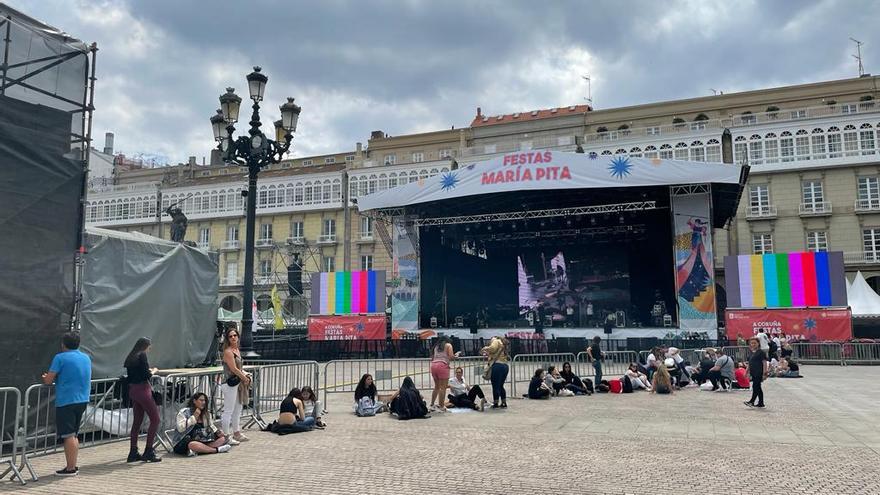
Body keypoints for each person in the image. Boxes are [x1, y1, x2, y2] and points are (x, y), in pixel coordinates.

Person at [42, 331, 91, 476]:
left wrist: (46, 377)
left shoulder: (60, 358)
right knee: (74, 434)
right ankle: (73, 465)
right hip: (82, 399)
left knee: (68, 435)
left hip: (66, 400)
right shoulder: (86, 357)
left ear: (63, 344)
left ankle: (70, 468)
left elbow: (48, 380)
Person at [123, 337, 161, 463]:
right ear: (146, 346)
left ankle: (133, 451)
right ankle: (148, 451)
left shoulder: (131, 356)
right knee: (155, 419)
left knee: (137, 422)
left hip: (133, 390)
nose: (150, 349)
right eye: (149, 347)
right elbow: (146, 374)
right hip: (143, 390)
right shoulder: (142, 355)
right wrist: (154, 370)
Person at [221, 325, 251, 445]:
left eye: (235, 335)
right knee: (228, 410)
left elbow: (239, 367)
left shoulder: (236, 350)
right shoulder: (228, 351)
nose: (233, 338)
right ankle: (226, 436)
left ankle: (236, 432)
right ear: (227, 339)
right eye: (230, 336)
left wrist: (245, 375)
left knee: (237, 408)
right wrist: (244, 377)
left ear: (238, 337)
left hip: (237, 382)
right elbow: (233, 369)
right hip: (229, 383)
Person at [429, 336, 459, 412]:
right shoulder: (448, 345)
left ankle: (432, 405)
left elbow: (432, 357)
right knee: (443, 387)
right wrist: (456, 356)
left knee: (436, 387)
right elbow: (451, 357)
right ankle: (441, 406)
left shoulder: (436, 347)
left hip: (433, 365)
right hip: (443, 366)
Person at [481, 336, 510, 408]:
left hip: (497, 366)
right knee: (501, 386)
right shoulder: (503, 344)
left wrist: (485, 348)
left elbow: (492, 348)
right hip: (505, 365)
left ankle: (496, 403)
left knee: (495, 386)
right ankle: (504, 402)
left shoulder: (495, 340)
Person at [745, 337, 769, 408]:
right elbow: (749, 363)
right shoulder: (751, 352)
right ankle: (761, 403)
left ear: (758, 344)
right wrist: (746, 371)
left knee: (755, 386)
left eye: (754, 343)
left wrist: (765, 373)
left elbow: (764, 362)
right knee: (758, 387)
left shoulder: (761, 352)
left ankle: (752, 401)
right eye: (751, 343)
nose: (753, 344)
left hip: (759, 372)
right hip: (753, 372)